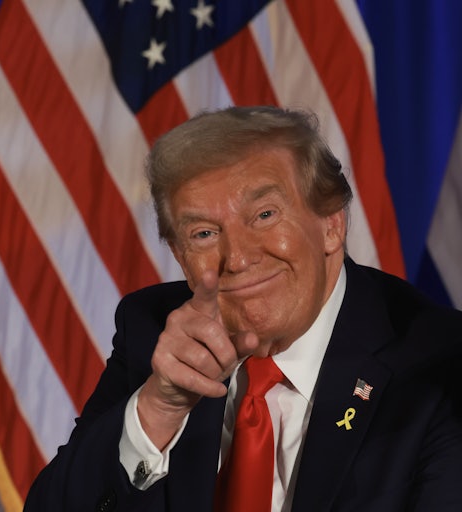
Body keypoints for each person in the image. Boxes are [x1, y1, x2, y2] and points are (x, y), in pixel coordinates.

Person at [23, 106, 462, 511]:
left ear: (332, 224)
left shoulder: (440, 364)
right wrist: (158, 409)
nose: (237, 258)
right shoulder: (153, 331)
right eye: (203, 234)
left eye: (265, 215)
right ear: (180, 257)